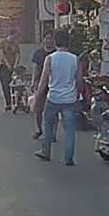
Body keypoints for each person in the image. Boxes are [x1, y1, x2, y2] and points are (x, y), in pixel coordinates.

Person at [35, 28, 80, 166]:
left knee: (48, 125)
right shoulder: (75, 59)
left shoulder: (50, 58)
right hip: (70, 99)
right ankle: (68, 158)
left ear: (55, 42)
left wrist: (37, 97)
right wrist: (77, 96)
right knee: (70, 129)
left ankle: (46, 152)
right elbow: (79, 81)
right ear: (68, 42)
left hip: (53, 97)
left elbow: (43, 81)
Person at [30, 32, 56, 139]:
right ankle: (39, 129)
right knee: (38, 109)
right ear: (44, 40)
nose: (49, 41)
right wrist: (33, 82)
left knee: (53, 110)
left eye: (51, 38)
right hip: (40, 83)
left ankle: (52, 133)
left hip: (53, 83)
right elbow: (35, 68)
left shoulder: (56, 53)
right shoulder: (38, 53)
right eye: (47, 38)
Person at [0, 32, 20, 112]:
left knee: (16, 85)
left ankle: (16, 102)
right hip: (4, 66)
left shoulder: (15, 44)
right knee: (5, 85)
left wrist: (15, 65)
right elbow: (1, 54)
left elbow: (18, 55)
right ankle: (8, 103)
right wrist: (7, 64)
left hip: (13, 67)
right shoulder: (2, 42)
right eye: (12, 37)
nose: (12, 39)